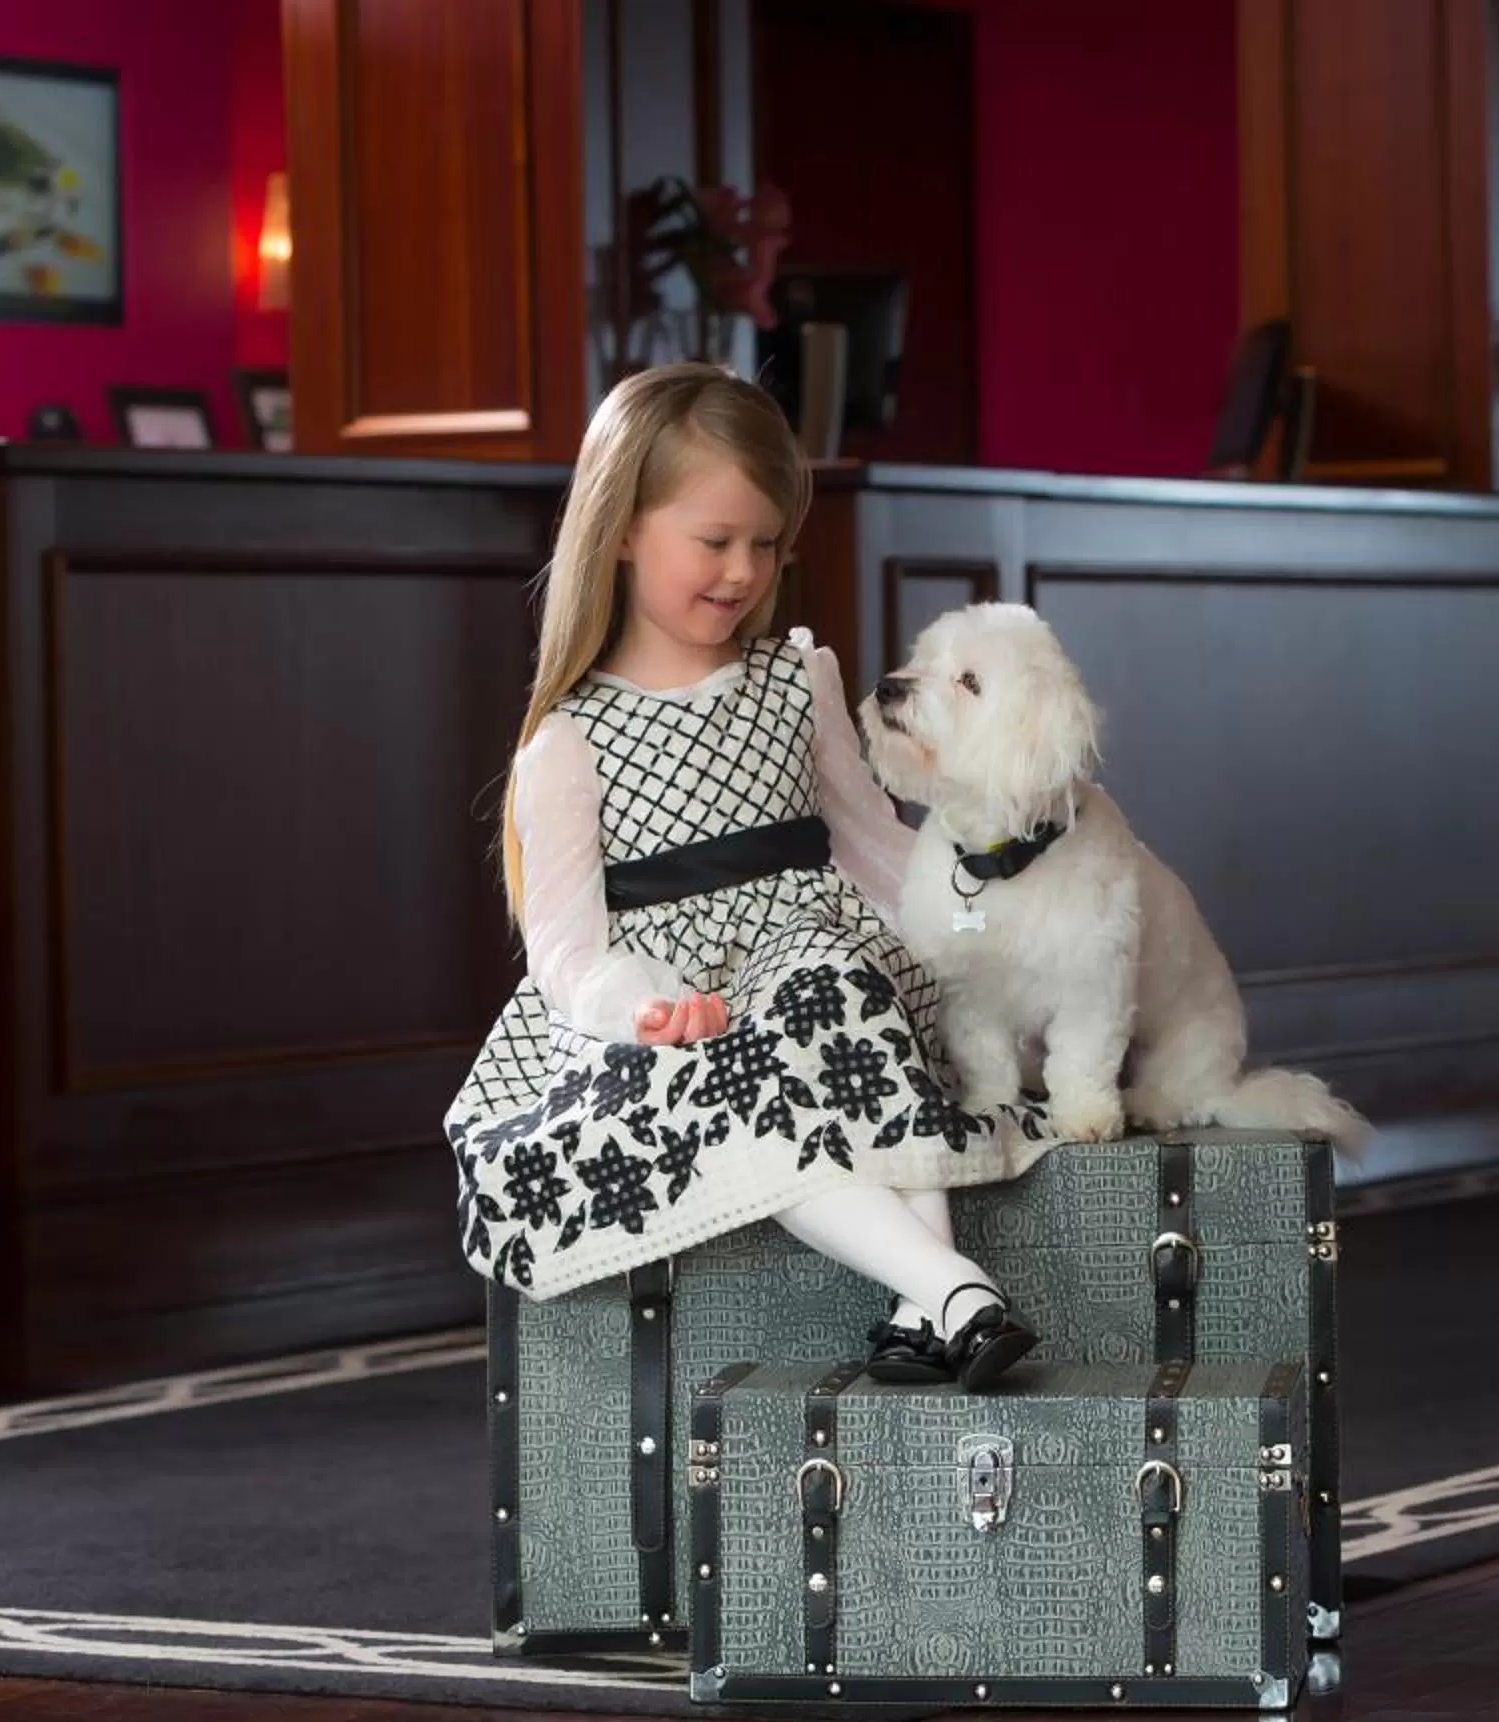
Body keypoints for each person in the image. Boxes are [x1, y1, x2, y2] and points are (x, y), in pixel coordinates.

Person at [444, 362, 1049, 1391]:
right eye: (715, 540)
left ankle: (933, 1305)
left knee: (836, 989)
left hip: (824, 969)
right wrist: (640, 1005)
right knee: (757, 1072)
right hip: (687, 1014)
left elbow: (873, 843)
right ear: (621, 529)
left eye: (765, 544)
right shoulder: (569, 743)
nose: (742, 571)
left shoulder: (797, 678)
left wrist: (983, 923)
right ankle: (952, 1287)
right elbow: (566, 950)